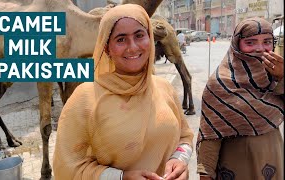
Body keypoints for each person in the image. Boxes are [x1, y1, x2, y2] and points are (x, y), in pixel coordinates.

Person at [53, 4, 194, 180]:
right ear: (107, 48)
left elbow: (185, 137)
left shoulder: (164, 88)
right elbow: (68, 167)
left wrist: (179, 161)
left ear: (150, 39)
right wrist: (121, 177)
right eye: (121, 39)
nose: (133, 47)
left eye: (139, 35)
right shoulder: (85, 98)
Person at [196, 17, 284, 180]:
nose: (260, 49)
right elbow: (210, 136)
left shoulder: (274, 76)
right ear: (237, 45)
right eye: (250, 43)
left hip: (274, 162)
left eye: (267, 42)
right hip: (236, 169)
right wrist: (205, 174)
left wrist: (281, 77)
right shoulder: (220, 83)